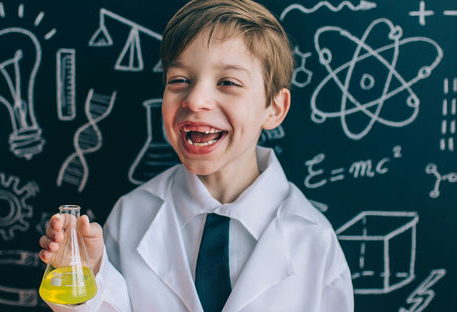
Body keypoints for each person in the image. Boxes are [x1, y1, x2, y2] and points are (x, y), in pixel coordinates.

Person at [39, 0, 354, 311]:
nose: (196, 99)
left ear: (274, 108)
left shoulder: (315, 241)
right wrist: (88, 276)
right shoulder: (131, 216)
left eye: (228, 82)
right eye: (179, 81)